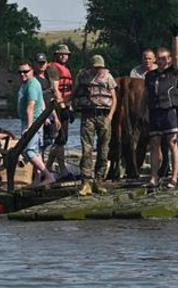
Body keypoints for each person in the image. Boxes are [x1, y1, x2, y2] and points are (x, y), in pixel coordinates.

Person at [72, 55, 118, 195]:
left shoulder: (108, 77)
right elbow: (75, 93)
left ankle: (99, 180)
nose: (98, 69)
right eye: (96, 67)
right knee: (87, 149)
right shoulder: (82, 76)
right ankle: (86, 182)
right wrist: (71, 105)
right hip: (88, 115)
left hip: (103, 116)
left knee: (103, 150)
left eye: (100, 67)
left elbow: (114, 98)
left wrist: (110, 117)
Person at [145, 43, 178, 190]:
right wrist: (143, 111)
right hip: (154, 111)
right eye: (159, 58)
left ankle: (174, 177)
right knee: (154, 143)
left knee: (172, 143)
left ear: (168, 59)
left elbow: (175, 55)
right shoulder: (150, 75)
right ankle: (154, 176)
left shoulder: (173, 72)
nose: (161, 61)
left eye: (163, 58)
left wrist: (174, 38)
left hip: (169, 111)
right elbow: (146, 94)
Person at [16, 62, 56, 188]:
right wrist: (44, 116)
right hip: (35, 121)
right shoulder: (28, 83)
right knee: (37, 153)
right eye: (20, 72)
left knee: (28, 152)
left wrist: (28, 127)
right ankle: (38, 180)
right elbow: (42, 101)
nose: (22, 74)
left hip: (32, 122)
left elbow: (31, 106)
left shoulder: (32, 85)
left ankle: (48, 176)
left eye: (25, 71)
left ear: (32, 70)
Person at [45, 44, 76, 179]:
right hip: (57, 107)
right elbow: (55, 90)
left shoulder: (66, 70)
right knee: (60, 139)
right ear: (56, 55)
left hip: (65, 105)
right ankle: (62, 170)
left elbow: (68, 91)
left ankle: (46, 169)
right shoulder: (53, 68)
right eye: (61, 54)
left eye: (66, 54)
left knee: (60, 140)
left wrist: (71, 108)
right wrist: (63, 108)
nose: (63, 56)